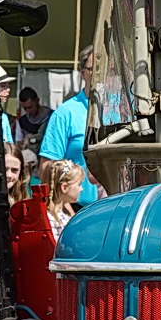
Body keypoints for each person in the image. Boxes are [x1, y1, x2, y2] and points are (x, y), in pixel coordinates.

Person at [39, 47, 104, 203]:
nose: (99, 73)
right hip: (80, 207)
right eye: (93, 69)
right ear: (83, 73)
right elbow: (47, 167)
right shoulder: (65, 113)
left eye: (104, 68)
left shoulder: (122, 109)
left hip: (120, 206)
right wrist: (64, 208)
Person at [44, 158, 83, 241]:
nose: (81, 189)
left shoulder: (65, 213)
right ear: (64, 187)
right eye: (79, 184)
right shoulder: (50, 218)